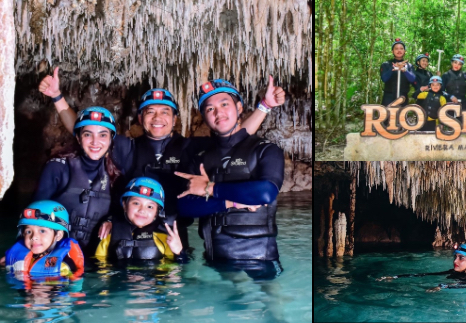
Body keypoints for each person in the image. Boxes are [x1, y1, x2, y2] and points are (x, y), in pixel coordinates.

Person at [38, 67, 284, 248]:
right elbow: (87, 131)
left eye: (165, 112)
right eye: (150, 112)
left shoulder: (190, 146)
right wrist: (58, 98)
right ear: (140, 119)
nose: (158, 118)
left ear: (175, 118)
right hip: (129, 232)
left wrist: (265, 106)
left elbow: (235, 137)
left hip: (173, 232)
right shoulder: (128, 148)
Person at [175, 79, 284, 281]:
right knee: (232, 305)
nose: (218, 112)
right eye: (210, 109)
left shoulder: (265, 150)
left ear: (239, 107)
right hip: (217, 256)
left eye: (224, 104)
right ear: (204, 117)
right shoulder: (199, 157)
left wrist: (210, 188)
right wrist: (230, 202)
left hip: (261, 255)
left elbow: (266, 192)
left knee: (272, 309)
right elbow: (183, 207)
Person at [33, 107, 120, 254]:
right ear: (79, 138)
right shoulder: (57, 167)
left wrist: (111, 221)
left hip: (96, 260)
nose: (95, 141)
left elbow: (122, 211)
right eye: (88, 134)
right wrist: (21, 249)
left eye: (103, 135)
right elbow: (34, 213)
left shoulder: (115, 175)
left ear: (111, 140)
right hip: (55, 254)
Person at [95, 177, 186, 263]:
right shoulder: (109, 234)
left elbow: (174, 273)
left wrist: (179, 253)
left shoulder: (165, 238)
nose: (142, 210)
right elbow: (99, 268)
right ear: (124, 205)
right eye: (136, 203)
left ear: (157, 212)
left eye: (150, 206)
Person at [2, 201, 84, 280]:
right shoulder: (17, 255)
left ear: (58, 235)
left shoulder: (63, 265)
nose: (34, 237)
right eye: (28, 231)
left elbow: (73, 286)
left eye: (42, 231)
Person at [375, 243, 466, 292]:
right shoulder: (456, 271)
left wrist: (443, 286)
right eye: (455, 257)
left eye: (461, 258)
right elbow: (428, 275)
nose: (455, 261)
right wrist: (396, 277)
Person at [380, 38, 415, 106]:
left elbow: (412, 79)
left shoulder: (409, 65)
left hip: (403, 97)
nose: (399, 50)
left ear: (404, 51)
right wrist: (393, 68)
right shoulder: (386, 64)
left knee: (401, 116)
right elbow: (384, 79)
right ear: (392, 51)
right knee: (387, 116)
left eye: (401, 48)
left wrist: (405, 70)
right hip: (389, 97)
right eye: (396, 49)